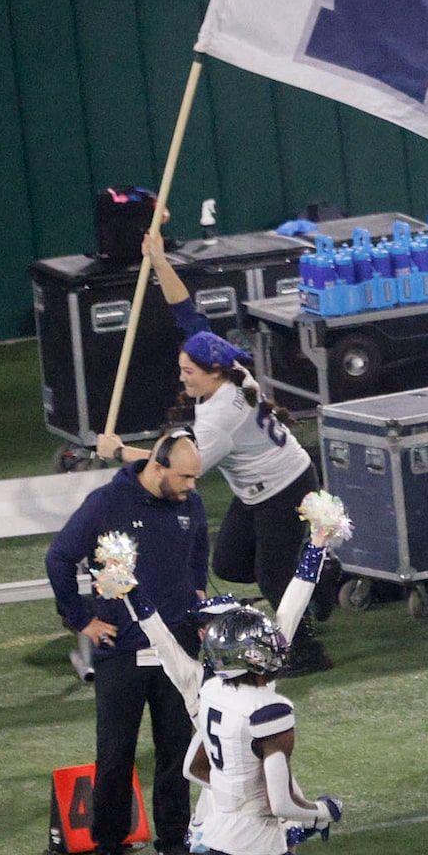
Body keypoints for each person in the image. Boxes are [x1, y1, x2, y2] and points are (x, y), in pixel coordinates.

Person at [98, 229, 332, 674]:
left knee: (272, 575)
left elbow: (177, 467)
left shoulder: (220, 416)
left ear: (210, 374)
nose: (182, 377)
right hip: (260, 490)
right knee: (229, 562)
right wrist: (160, 260)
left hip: (283, 489)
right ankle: (321, 579)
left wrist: (117, 450)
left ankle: (305, 650)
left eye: (188, 372)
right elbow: (186, 313)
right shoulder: (228, 366)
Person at [133, 572, 337, 855]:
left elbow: (194, 765)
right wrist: (321, 813)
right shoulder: (257, 703)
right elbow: (161, 638)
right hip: (253, 819)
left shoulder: (213, 691)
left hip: (232, 812)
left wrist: (315, 550)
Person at [46, 431, 212, 855]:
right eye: (184, 478)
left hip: (176, 648)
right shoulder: (107, 503)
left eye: (195, 478)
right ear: (157, 468)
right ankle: (109, 853)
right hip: (121, 650)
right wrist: (82, 621)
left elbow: (198, 549)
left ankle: (174, 842)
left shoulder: (188, 504)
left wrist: (196, 594)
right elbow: (59, 558)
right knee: (116, 752)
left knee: (177, 747)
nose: (191, 487)